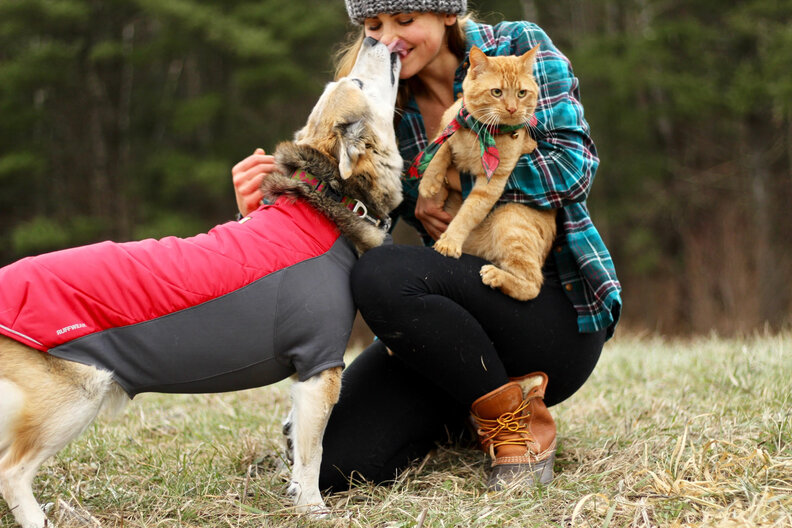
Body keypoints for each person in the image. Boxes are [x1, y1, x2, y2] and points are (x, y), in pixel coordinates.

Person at [232, 0, 622, 492]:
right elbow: (342, 232)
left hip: (551, 314)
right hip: (453, 332)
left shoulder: (519, 48)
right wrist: (265, 208)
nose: (387, 37)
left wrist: (460, 190)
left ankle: (516, 425)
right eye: (374, 26)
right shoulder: (377, 99)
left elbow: (572, 167)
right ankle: (463, 404)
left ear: (447, 15)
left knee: (384, 273)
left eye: (405, 20)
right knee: (335, 465)